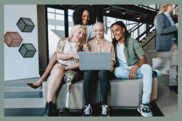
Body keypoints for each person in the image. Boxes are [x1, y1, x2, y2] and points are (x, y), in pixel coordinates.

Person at [27, 5, 96, 89]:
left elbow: (93, 42)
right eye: (84, 16)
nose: (86, 18)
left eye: (88, 16)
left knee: (57, 55)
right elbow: (71, 39)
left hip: (82, 51)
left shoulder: (92, 28)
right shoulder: (76, 26)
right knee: (57, 55)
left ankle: (43, 79)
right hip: (73, 49)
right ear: (79, 15)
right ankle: (46, 78)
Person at [110, 21, 160, 117]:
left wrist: (135, 66)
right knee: (117, 72)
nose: (115, 33)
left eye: (117, 30)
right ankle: (149, 74)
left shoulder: (132, 42)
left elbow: (143, 59)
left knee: (147, 67)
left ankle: (145, 103)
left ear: (123, 30)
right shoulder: (112, 45)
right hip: (122, 70)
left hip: (136, 67)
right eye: (113, 31)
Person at [43, 25, 88, 116]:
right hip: (61, 64)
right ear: (73, 32)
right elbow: (59, 55)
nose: (81, 36)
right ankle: (48, 105)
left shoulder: (84, 45)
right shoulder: (63, 40)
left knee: (61, 69)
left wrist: (66, 68)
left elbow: (83, 63)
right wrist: (73, 55)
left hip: (74, 68)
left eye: (83, 34)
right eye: (79, 32)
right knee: (57, 71)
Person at [82, 22, 115, 117]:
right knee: (87, 74)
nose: (98, 32)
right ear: (93, 31)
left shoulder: (110, 44)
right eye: (96, 31)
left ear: (104, 30)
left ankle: (104, 105)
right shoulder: (89, 44)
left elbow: (112, 59)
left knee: (102, 73)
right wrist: (85, 48)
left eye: (100, 30)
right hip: (92, 71)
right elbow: (86, 59)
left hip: (104, 72)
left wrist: (111, 65)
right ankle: (87, 106)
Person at [155, 4, 178, 92]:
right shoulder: (161, 16)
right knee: (162, 65)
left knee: (173, 65)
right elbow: (161, 30)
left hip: (174, 43)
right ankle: (149, 77)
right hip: (166, 44)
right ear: (167, 6)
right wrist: (175, 26)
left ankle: (173, 84)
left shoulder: (170, 17)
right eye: (171, 5)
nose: (173, 7)